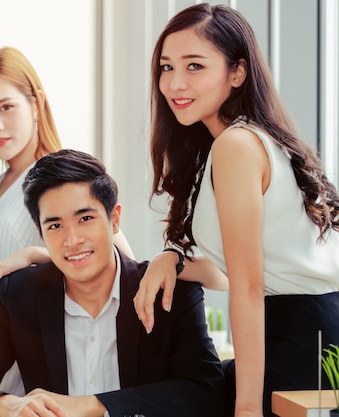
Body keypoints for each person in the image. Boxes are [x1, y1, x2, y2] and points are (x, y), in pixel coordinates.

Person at [133, 4, 339, 416]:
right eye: (166, 67)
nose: (174, 83)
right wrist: (171, 258)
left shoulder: (236, 146)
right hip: (307, 330)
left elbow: (247, 287)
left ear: (237, 72)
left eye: (194, 66)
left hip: (298, 338)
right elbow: (225, 273)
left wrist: (247, 408)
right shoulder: (237, 142)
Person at [0, 47, 135, 394]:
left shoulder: (60, 186)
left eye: (6, 107)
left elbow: (122, 262)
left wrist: (35, 254)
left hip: (19, 370)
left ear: (36, 104)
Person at [0, 149, 224, 417]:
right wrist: (6, 405)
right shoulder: (16, 295)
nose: (72, 240)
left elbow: (205, 392)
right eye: (55, 226)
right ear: (41, 233)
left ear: (114, 219)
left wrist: (92, 405)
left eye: (85, 218)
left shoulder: (169, 292)